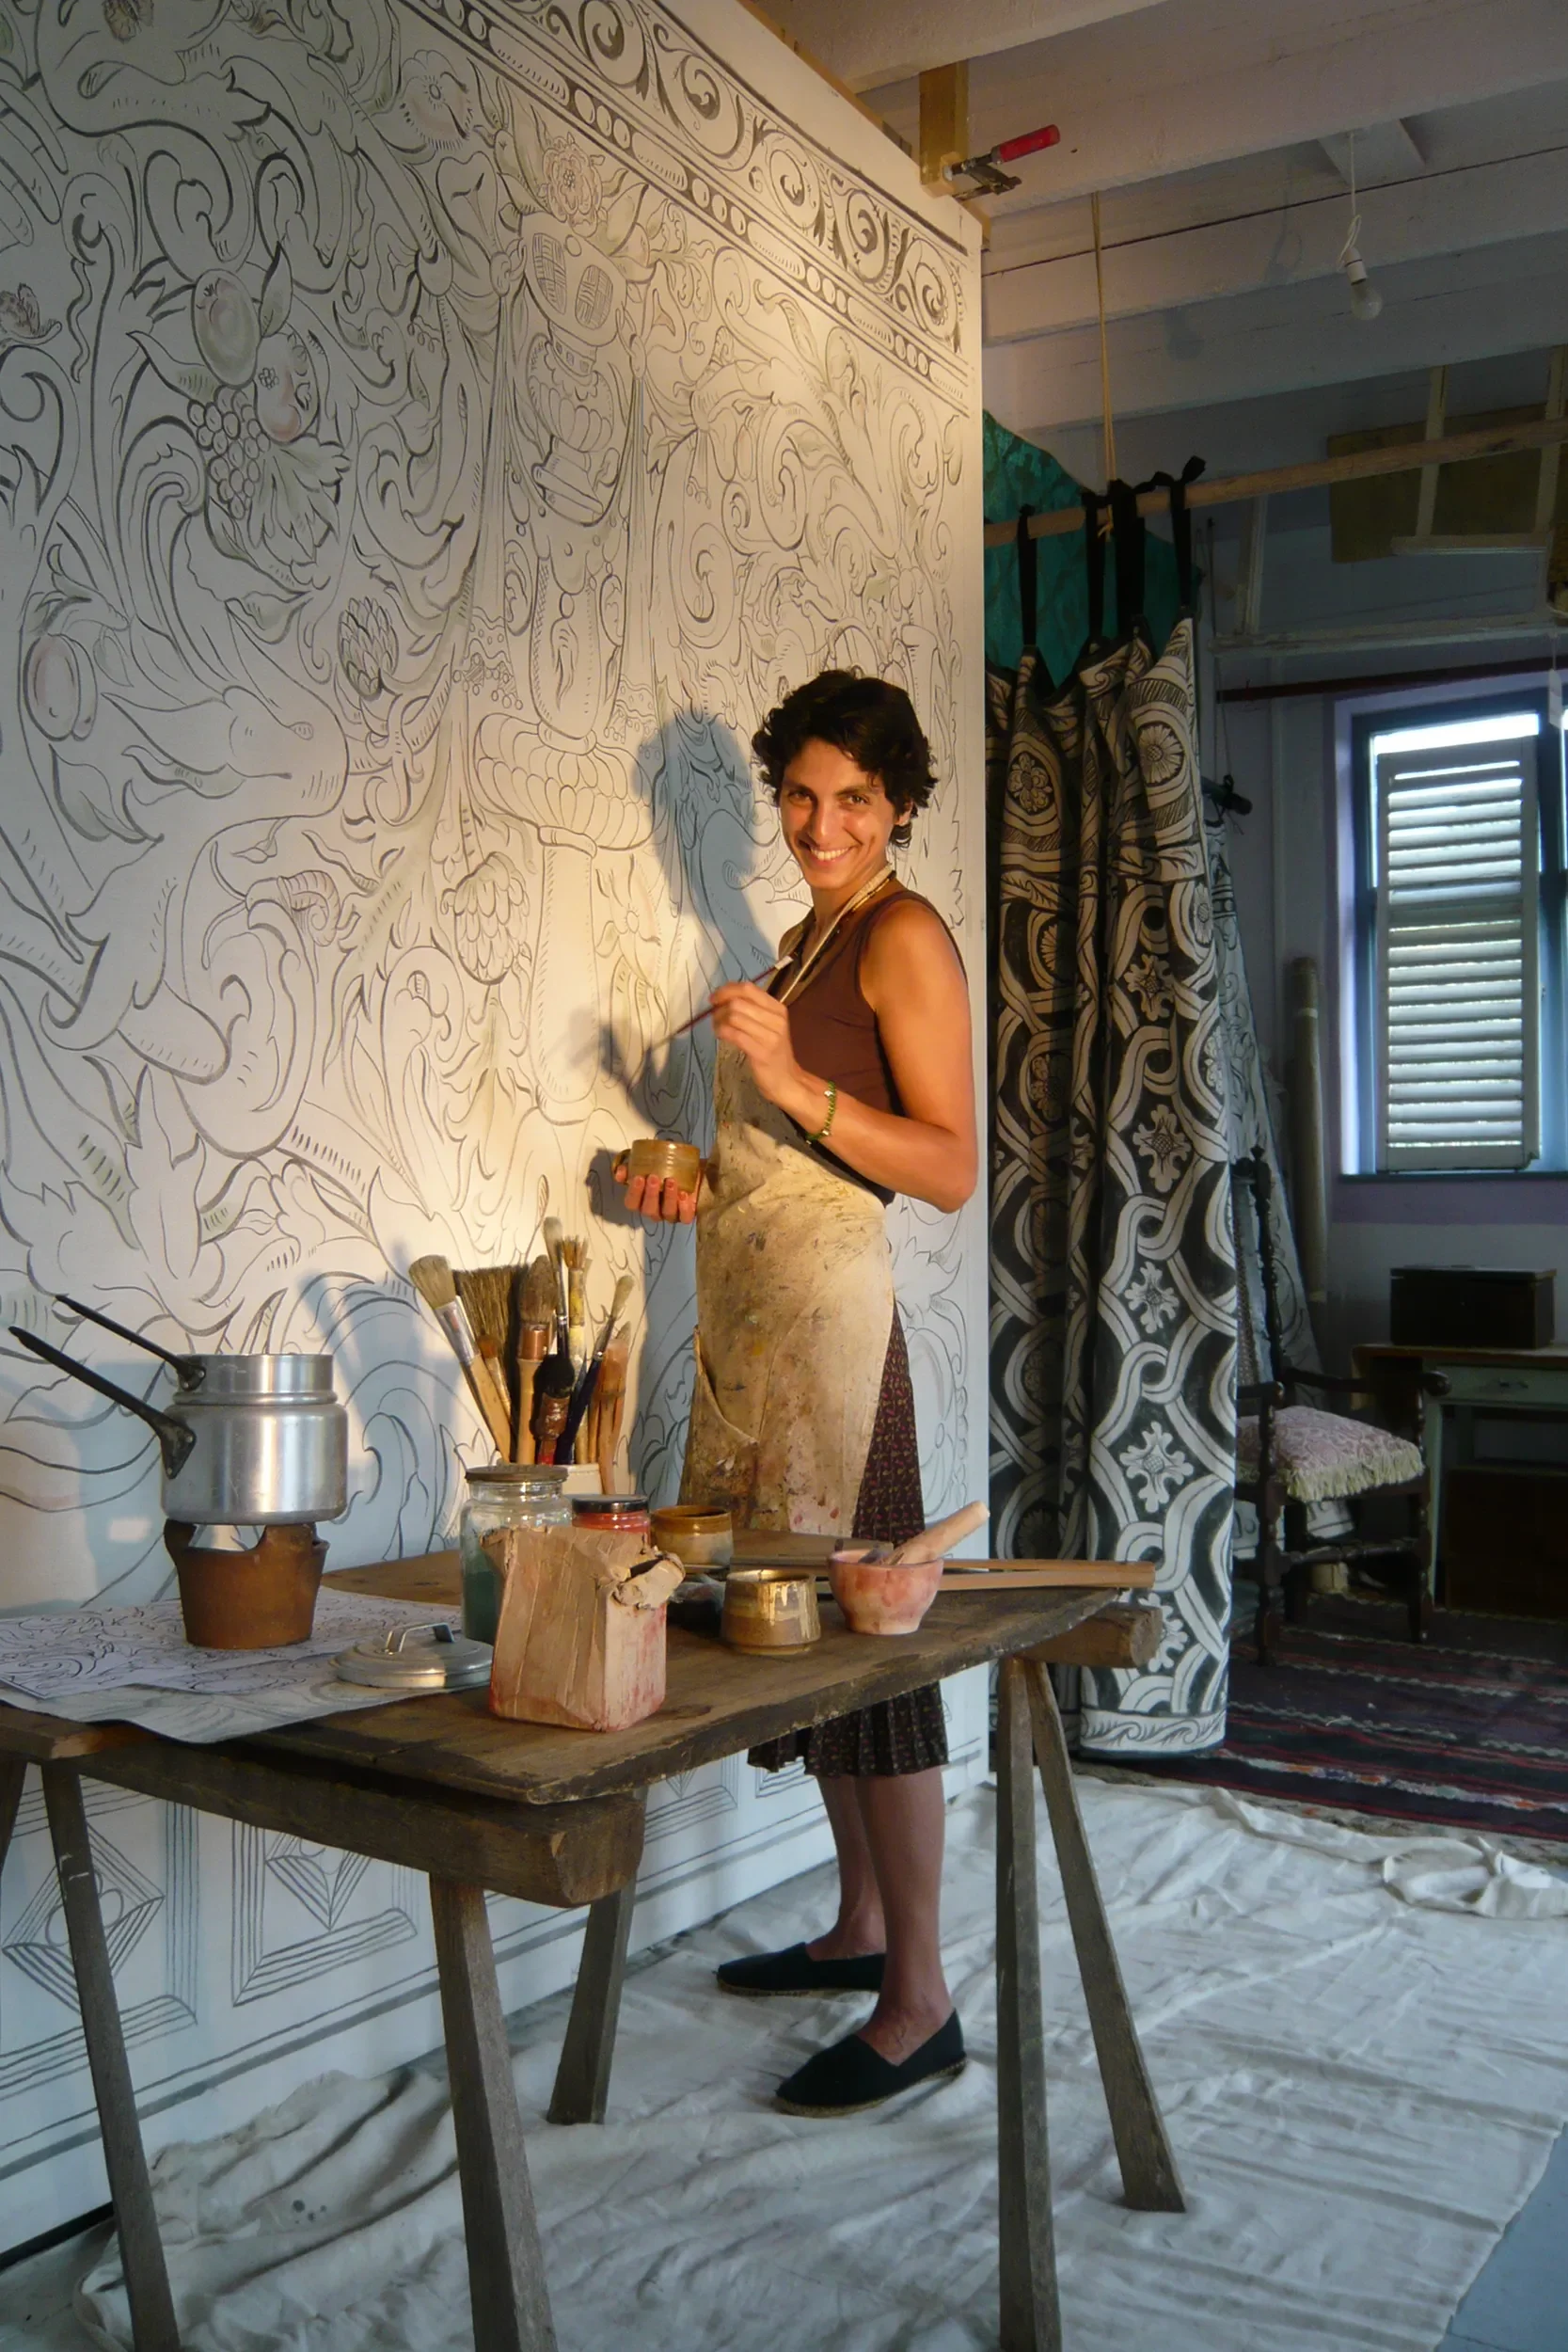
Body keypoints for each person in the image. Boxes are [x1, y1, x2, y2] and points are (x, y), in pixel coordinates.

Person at [617, 670, 978, 2119]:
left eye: (852, 800)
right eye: (801, 796)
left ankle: (924, 1999)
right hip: (752, 1330)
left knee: (877, 1655)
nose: (821, 823)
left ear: (896, 808)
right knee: (806, 1624)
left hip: (838, 1341)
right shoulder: (794, 944)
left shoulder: (897, 939)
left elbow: (946, 1167)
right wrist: (672, 1176)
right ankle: (860, 1926)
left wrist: (790, 1077)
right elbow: (784, 1167)